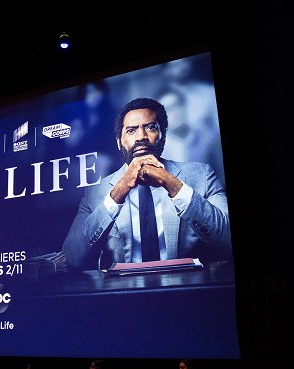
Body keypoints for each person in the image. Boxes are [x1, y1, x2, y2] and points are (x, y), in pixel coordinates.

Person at [62, 97, 232, 271]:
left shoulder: (202, 175)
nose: (141, 136)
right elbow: (71, 258)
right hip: (123, 294)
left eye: (150, 127)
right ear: (119, 141)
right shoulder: (96, 192)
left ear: (163, 135)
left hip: (187, 290)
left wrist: (171, 182)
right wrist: (118, 192)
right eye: (131, 130)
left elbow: (228, 239)